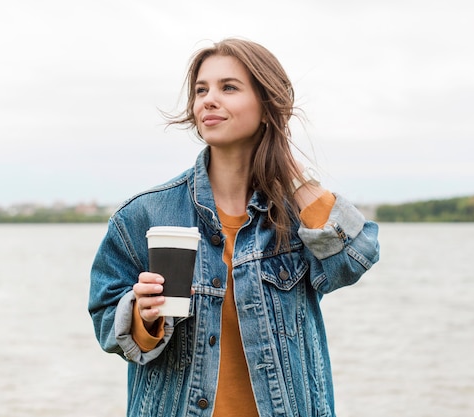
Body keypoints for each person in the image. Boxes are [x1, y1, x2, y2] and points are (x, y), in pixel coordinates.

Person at [88, 38, 380, 417]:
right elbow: (107, 319)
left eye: (228, 87)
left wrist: (286, 167)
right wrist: (143, 315)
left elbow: (353, 260)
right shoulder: (145, 214)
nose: (208, 99)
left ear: (267, 105)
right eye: (200, 90)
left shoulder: (296, 216)